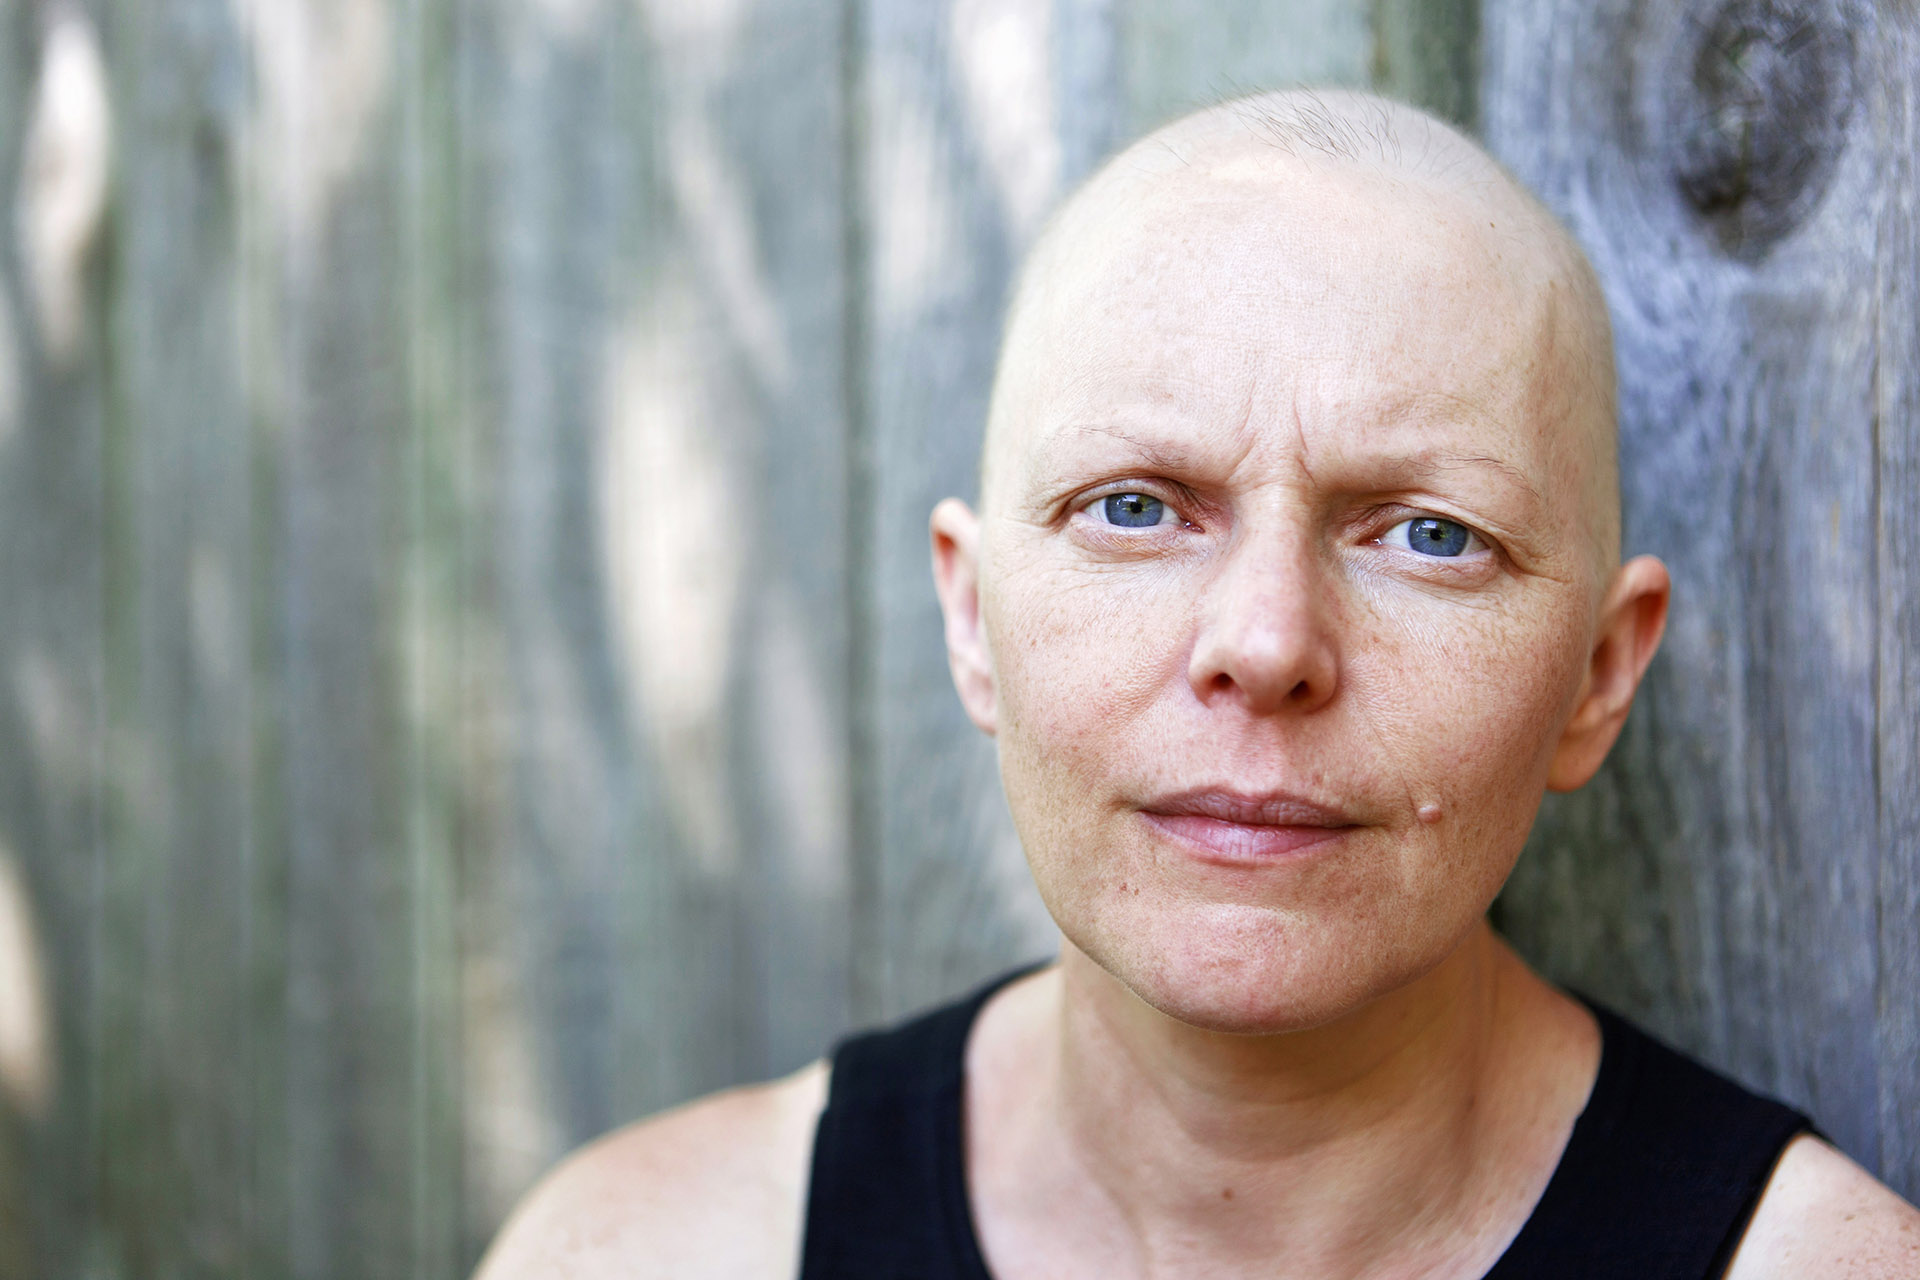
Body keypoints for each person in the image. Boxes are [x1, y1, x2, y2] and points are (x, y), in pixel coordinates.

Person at [474, 90, 1920, 1279]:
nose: (1269, 642)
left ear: (1599, 676)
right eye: (1135, 507)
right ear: (974, 620)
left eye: (1430, 535)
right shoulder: (646, 1252)